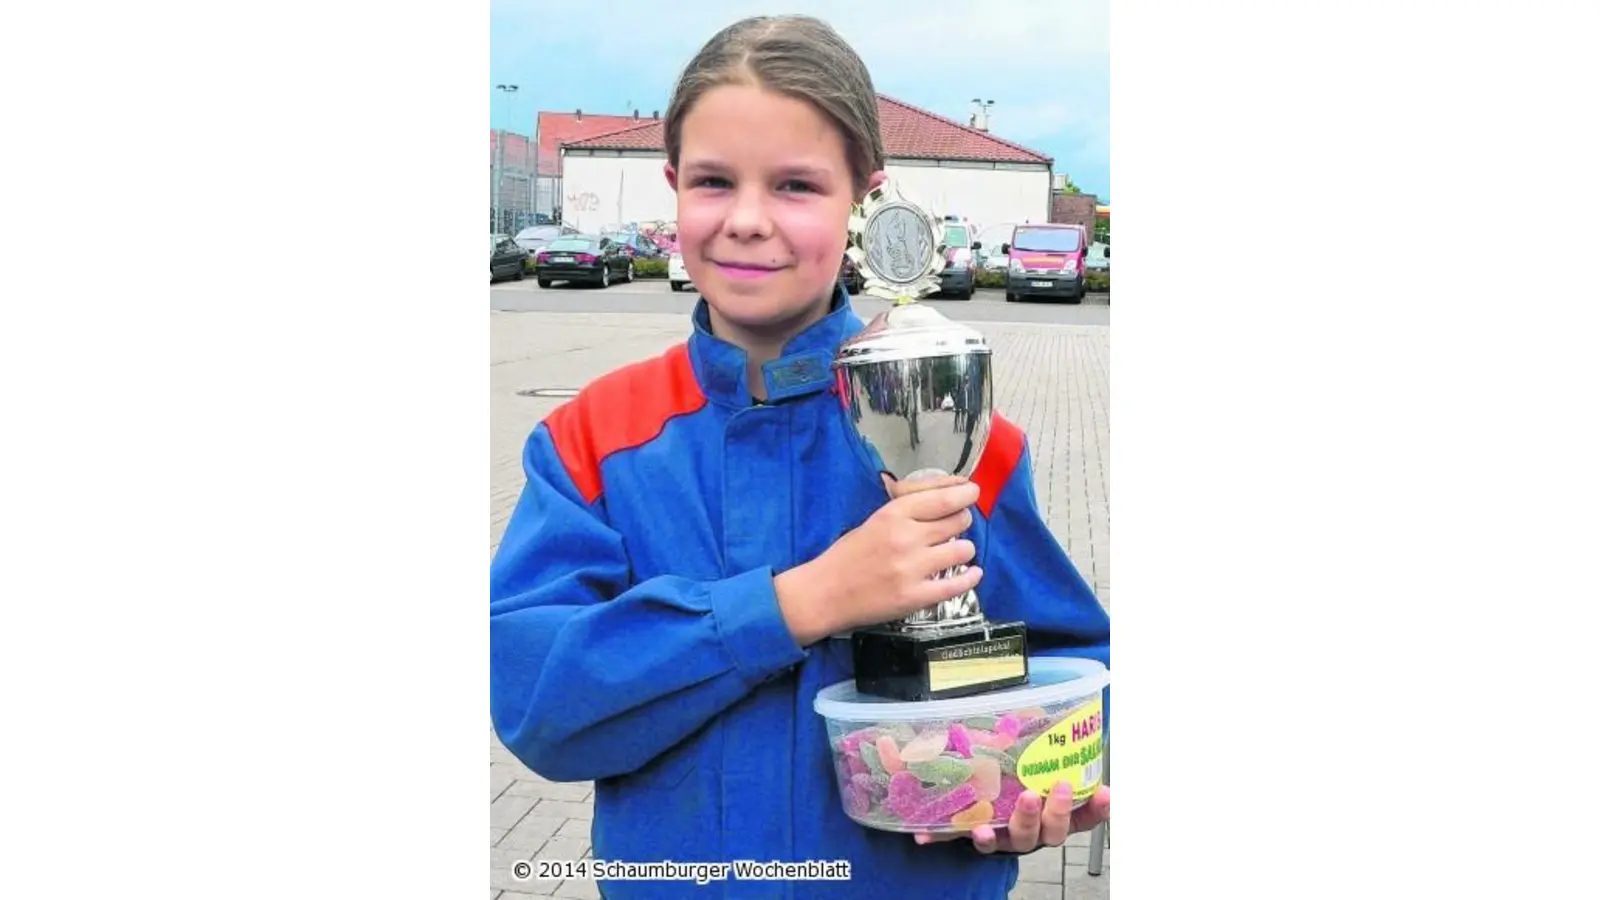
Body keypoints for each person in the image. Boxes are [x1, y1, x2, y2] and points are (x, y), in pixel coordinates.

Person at [489, 15, 1110, 900]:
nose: (747, 220)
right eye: (713, 182)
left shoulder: (968, 439)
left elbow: (1072, 667)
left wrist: (1041, 773)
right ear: (671, 189)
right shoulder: (593, 440)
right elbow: (536, 707)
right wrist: (800, 603)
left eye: (795, 186)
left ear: (865, 197)